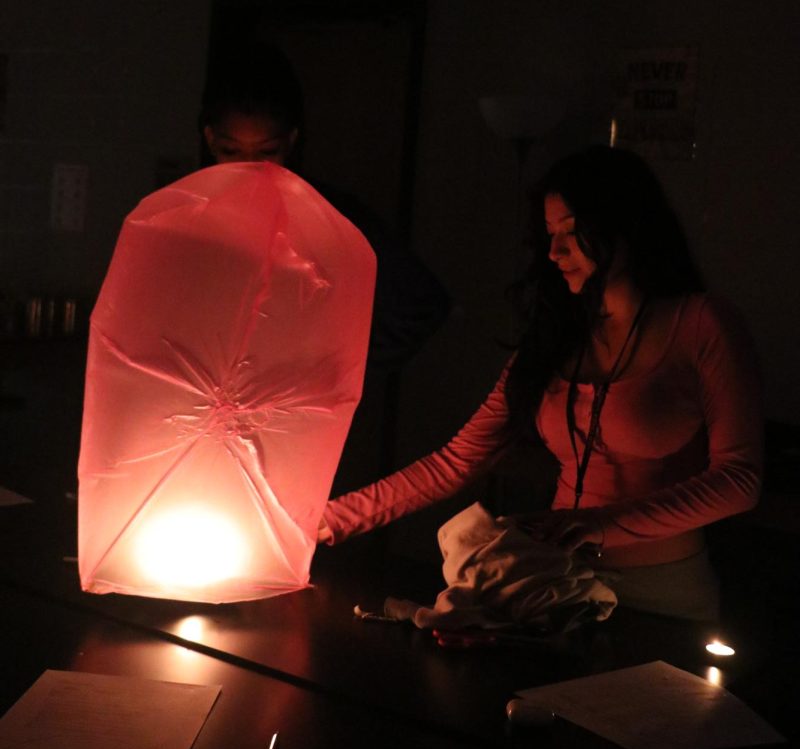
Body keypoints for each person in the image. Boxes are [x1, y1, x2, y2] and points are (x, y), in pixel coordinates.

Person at [320, 145, 763, 622]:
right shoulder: (554, 340)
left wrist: (599, 523)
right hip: (551, 585)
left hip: (661, 596)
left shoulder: (702, 324)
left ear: (626, 226)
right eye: (550, 235)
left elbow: (740, 481)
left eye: (571, 233)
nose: (554, 253)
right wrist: (325, 522)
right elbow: (455, 462)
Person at [199, 46, 450, 373]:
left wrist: (325, 358)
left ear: (290, 142)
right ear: (210, 140)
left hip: (298, 406)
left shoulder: (331, 217)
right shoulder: (187, 217)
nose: (249, 169)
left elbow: (421, 305)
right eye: (231, 150)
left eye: (266, 152)